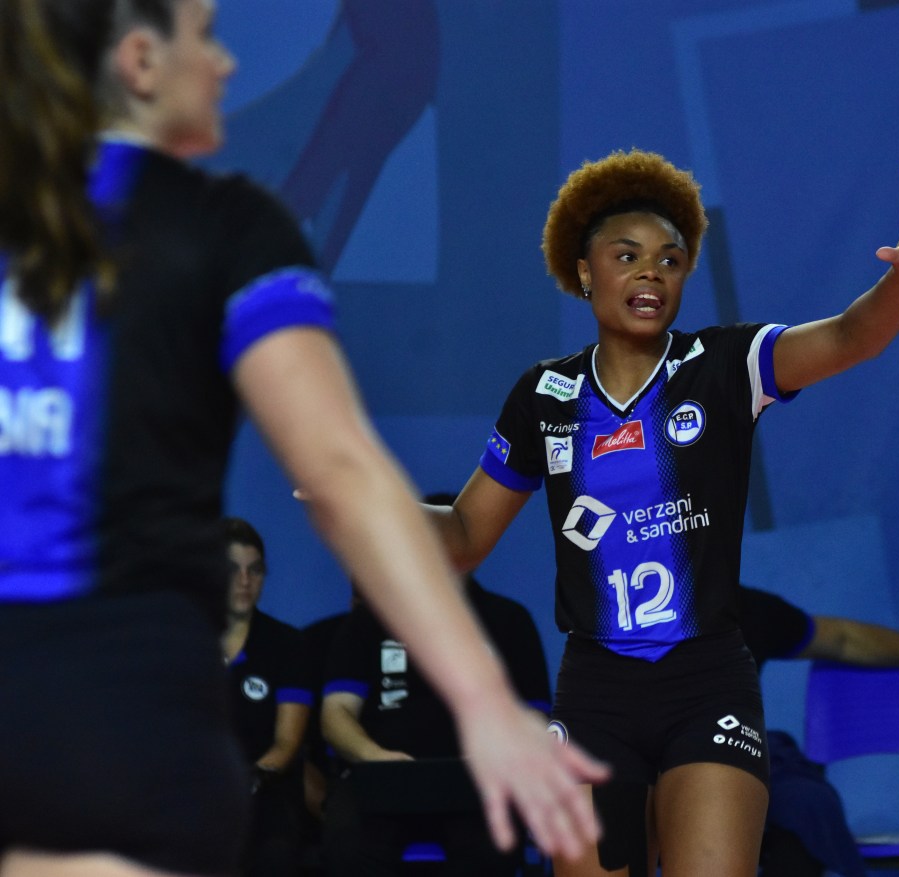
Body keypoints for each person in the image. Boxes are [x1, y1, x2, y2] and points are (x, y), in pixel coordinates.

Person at [0, 3, 606, 877]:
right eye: (204, 35)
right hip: (127, 694)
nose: (225, 63)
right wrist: (482, 698)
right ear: (138, 61)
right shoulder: (225, 226)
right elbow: (341, 464)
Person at [424, 148, 899, 877]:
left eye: (670, 261)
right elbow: (462, 537)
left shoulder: (725, 365)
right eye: (627, 256)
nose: (652, 272)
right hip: (595, 691)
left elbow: (849, 337)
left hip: (707, 683)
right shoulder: (544, 396)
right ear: (584, 272)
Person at [318, 500, 553, 876]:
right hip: (382, 773)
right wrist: (372, 755)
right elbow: (336, 713)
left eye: (452, 540)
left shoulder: (509, 621)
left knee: (493, 851)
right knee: (347, 849)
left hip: (479, 780)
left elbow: (537, 716)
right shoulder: (371, 617)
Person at [738, 583, 899, 877]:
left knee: (806, 804)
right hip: (697, 760)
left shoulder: (741, 607)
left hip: (747, 754)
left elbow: (843, 639)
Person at [222, 518, 312, 877]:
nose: (245, 581)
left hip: (263, 793)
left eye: (255, 570)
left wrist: (250, 781)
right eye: (233, 570)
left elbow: (286, 744)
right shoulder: (186, 641)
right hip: (196, 790)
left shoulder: (287, 645)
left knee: (273, 853)